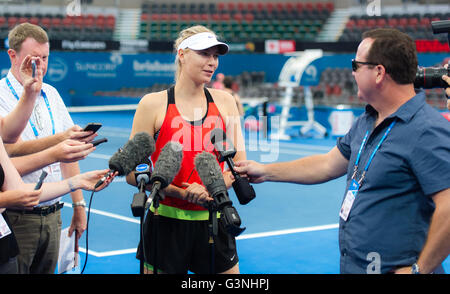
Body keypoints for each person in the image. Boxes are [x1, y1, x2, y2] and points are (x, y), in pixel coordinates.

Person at [235, 28, 450, 274]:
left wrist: (419, 271)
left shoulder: (426, 129)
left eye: (356, 65)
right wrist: (265, 171)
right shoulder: (368, 120)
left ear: (379, 72)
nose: (352, 72)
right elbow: (327, 164)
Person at [126, 25, 245, 274]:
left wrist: (210, 188)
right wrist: (180, 193)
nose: (212, 62)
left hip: (215, 220)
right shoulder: (152, 104)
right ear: (181, 54)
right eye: (204, 54)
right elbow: (131, 172)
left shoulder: (225, 102)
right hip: (164, 223)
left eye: (215, 56)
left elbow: (239, 167)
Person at [0, 53, 116, 274]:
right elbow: (14, 186)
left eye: (45, 56)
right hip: (17, 223)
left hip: (6, 244)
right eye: (34, 57)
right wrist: (7, 199)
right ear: (12, 55)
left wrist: (77, 182)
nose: (40, 64)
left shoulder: (49, 94)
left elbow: (19, 188)